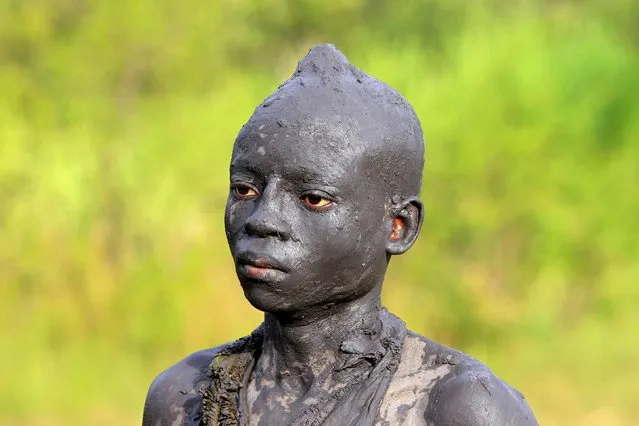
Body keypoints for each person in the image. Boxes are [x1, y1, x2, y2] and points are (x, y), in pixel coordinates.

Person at [142, 44, 538, 426]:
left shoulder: (452, 408)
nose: (261, 220)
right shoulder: (184, 399)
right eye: (245, 189)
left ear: (399, 227)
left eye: (312, 199)